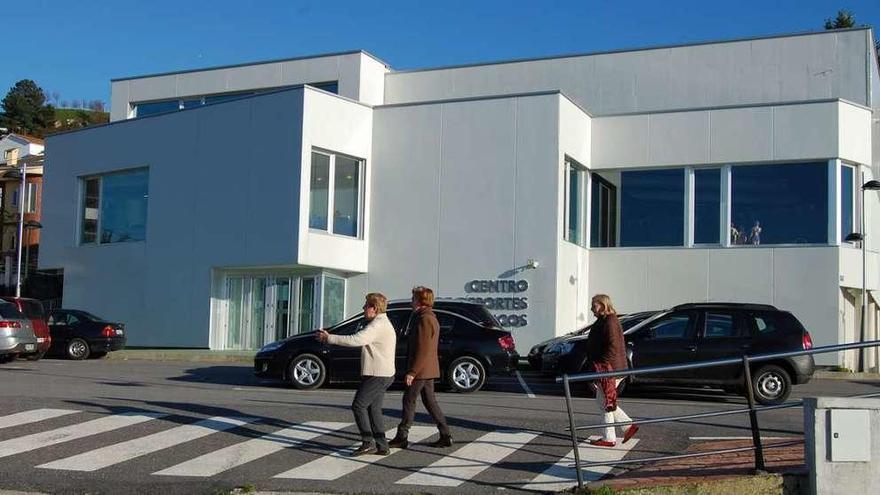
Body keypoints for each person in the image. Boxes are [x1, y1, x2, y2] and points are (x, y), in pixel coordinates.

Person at [316, 293, 396, 456]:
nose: (363, 308)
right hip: (383, 373)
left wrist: (329, 338)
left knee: (358, 405)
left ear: (374, 308)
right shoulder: (382, 322)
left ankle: (368, 442)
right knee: (374, 408)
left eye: (366, 305)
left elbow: (355, 340)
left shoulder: (377, 325)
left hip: (378, 374)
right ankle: (382, 445)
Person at [388, 286, 453, 449]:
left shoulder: (424, 319)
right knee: (429, 401)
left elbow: (423, 348)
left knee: (409, 400)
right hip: (428, 369)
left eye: (413, 298)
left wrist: (412, 371)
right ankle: (445, 434)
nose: (411, 301)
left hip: (421, 370)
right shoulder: (428, 317)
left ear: (419, 301)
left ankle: (402, 436)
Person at [584, 294, 639, 447]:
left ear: (602, 305)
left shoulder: (610, 321)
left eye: (594, 305)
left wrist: (602, 364)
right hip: (608, 368)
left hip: (610, 369)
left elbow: (613, 346)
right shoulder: (605, 320)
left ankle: (612, 436)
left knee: (604, 402)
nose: (591, 309)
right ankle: (627, 427)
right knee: (604, 401)